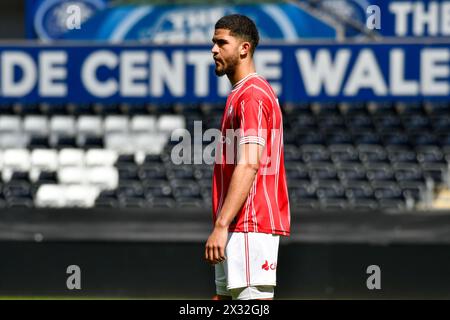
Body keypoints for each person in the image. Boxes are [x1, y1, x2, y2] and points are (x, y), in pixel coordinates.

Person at [205, 14, 290, 300]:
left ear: (244, 48)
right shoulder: (240, 94)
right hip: (237, 226)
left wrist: (220, 224)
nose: (214, 50)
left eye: (221, 43)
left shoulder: (252, 94)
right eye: (213, 43)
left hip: (249, 224)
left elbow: (250, 163)